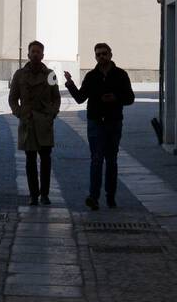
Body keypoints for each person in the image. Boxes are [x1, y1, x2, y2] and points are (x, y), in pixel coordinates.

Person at [64, 43, 134, 210]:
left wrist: (115, 98)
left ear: (110, 54)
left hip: (113, 122)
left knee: (111, 160)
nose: (101, 57)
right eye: (98, 54)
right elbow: (81, 98)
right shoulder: (91, 76)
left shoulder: (121, 74)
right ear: (95, 57)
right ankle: (93, 197)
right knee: (96, 160)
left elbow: (130, 98)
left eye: (104, 53)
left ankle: (110, 197)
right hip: (95, 122)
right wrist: (70, 84)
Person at [8, 40, 60, 206]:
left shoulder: (50, 75)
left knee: (46, 160)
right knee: (30, 160)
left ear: (43, 55)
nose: (36, 54)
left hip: (44, 122)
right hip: (28, 121)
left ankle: (44, 194)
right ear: (28, 54)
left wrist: (52, 113)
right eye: (33, 52)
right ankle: (33, 195)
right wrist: (19, 113)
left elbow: (56, 97)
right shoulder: (19, 75)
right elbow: (12, 98)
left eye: (39, 52)